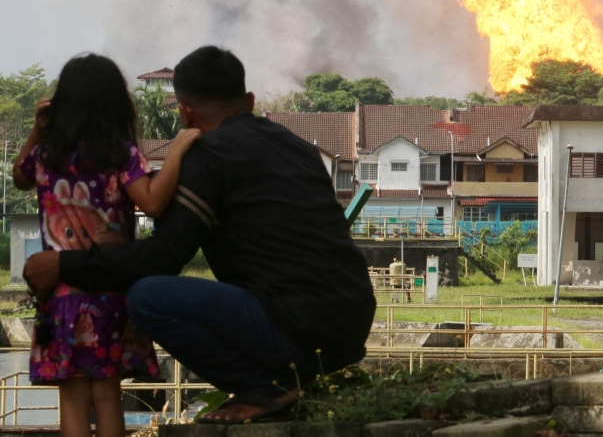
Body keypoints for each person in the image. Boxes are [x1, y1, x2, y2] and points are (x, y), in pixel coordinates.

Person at [23, 46, 377, 425]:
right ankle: (283, 381)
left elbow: (163, 258)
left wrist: (62, 263)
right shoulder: (300, 149)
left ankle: (268, 386)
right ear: (249, 101)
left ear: (184, 112)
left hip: (294, 325)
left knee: (149, 298)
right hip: (350, 325)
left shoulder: (207, 155)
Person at [11, 54, 201, 437]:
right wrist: (177, 151)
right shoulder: (121, 154)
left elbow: (19, 178)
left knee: (73, 400)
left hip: (60, 297)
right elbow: (151, 201)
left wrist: (37, 131)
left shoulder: (47, 156)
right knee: (108, 398)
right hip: (110, 294)